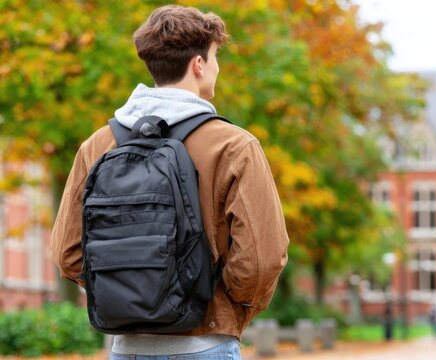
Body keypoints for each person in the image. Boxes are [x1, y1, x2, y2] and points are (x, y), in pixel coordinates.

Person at [50, 5, 289, 360]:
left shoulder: (98, 145)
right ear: (198, 64)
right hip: (205, 344)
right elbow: (261, 260)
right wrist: (227, 308)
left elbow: (67, 254)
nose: (217, 68)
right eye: (215, 57)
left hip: (127, 348)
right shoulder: (235, 146)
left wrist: (130, 292)